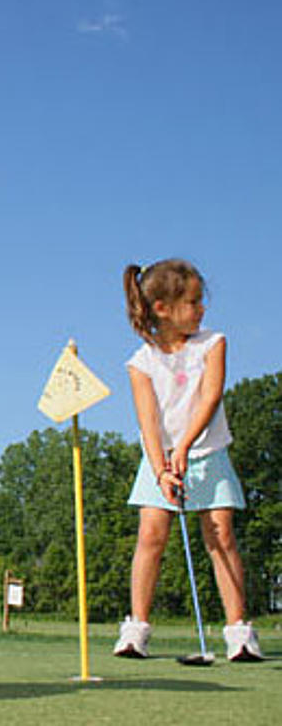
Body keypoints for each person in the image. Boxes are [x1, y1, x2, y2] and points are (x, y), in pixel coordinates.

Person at [113, 259, 263, 662]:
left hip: (207, 453)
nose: (201, 310)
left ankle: (238, 632)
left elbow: (210, 398)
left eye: (201, 302)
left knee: (221, 537)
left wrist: (183, 450)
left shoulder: (212, 343)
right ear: (162, 307)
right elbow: (147, 422)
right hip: (158, 459)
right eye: (193, 302)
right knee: (150, 537)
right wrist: (162, 467)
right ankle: (136, 630)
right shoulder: (140, 362)